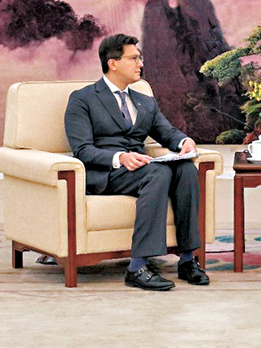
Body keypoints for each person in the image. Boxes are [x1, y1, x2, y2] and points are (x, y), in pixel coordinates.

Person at [64, 33, 209, 291]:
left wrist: (184, 142)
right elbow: (82, 150)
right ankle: (138, 267)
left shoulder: (145, 101)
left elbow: (167, 132)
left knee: (186, 169)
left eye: (139, 58)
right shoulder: (82, 99)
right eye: (133, 58)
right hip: (108, 174)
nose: (140, 63)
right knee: (158, 173)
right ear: (113, 63)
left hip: (141, 170)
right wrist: (120, 158)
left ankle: (187, 260)